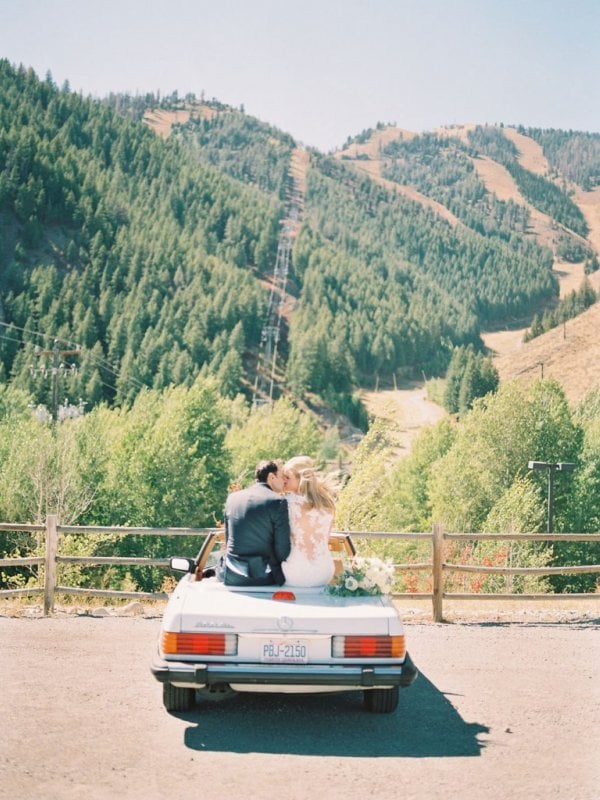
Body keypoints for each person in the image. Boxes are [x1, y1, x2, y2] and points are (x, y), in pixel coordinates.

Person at [220, 460, 291, 586]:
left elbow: (228, 539)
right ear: (271, 477)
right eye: (281, 477)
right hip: (265, 578)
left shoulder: (232, 498)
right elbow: (283, 552)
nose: (284, 481)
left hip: (232, 576)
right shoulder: (278, 502)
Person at [281, 455, 336, 587]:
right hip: (324, 571)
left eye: (287, 477)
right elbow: (325, 538)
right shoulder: (327, 504)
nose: (284, 481)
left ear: (300, 479)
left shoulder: (285, 504)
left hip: (295, 572)